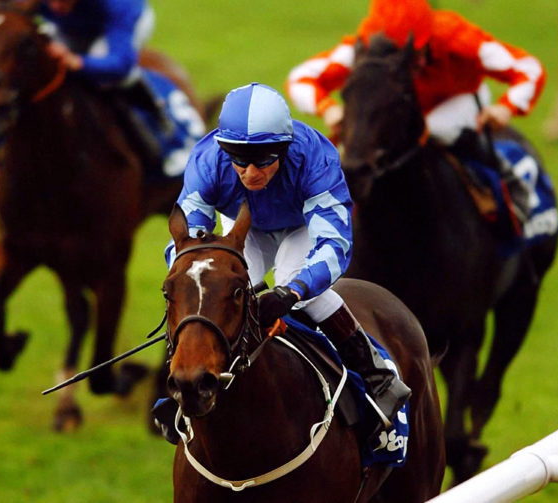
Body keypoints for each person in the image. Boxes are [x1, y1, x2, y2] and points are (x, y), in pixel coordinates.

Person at [164, 83, 410, 431]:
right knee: (213, 290)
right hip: (242, 227)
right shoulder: (206, 162)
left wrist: (291, 291)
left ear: (284, 147)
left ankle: (375, 374)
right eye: (238, 159)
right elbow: (185, 247)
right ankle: (182, 383)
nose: (250, 172)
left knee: (296, 287)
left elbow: (334, 245)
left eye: (264, 160)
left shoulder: (315, 159)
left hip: (301, 226)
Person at [285, 0, 546, 222]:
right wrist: (328, 108)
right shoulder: (367, 43)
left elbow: (529, 68)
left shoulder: (455, 36)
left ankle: (506, 183)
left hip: (456, 100)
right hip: (397, 108)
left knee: (434, 129)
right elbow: (301, 77)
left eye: (410, 57)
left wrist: (506, 107)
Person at [39, 0, 170, 164]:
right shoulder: (52, 6)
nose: (55, 6)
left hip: (120, 24)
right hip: (70, 23)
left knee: (107, 79)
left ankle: (154, 122)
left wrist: (79, 62)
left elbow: (120, 64)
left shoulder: (118, 5)